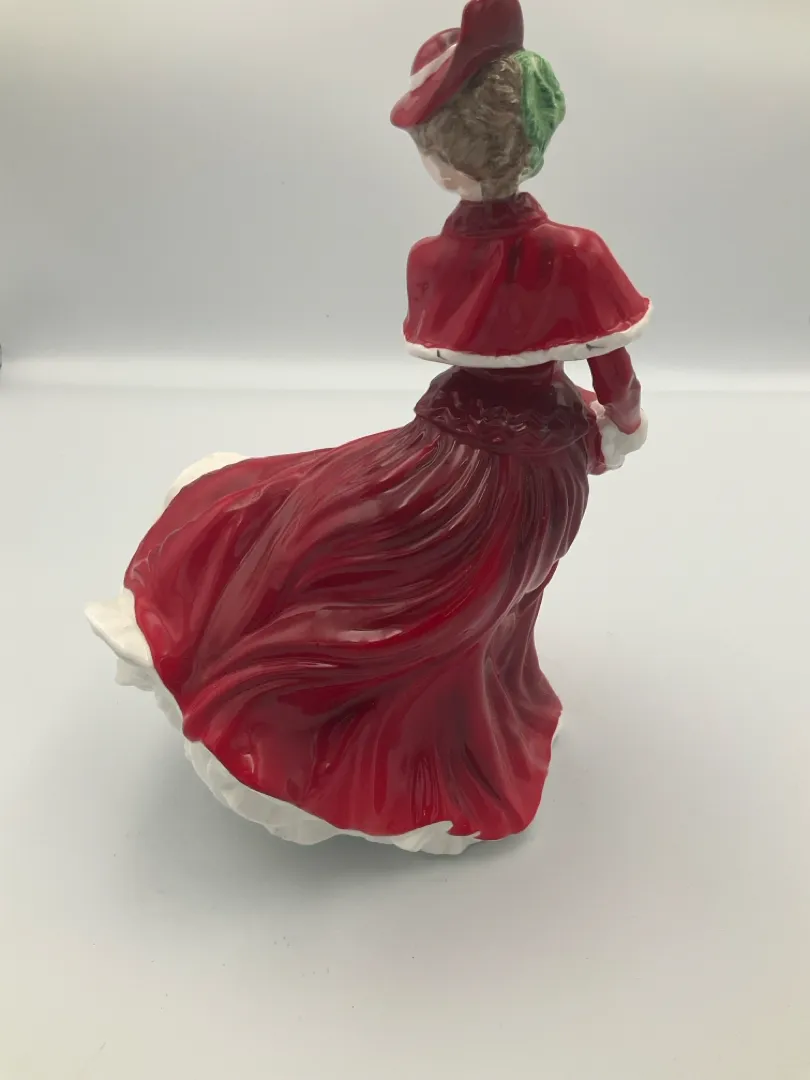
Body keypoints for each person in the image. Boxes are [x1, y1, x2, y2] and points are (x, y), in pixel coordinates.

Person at [86, 0, 650, 856]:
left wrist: (601, 420)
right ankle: (464, 727)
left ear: (443, 162)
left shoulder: (437, 260)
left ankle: (426, 737)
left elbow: (506, 352)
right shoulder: (578, 253)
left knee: (386, 575)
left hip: (460, 460)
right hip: (543, 464)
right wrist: (618, 429)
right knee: (469, 598)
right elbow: (615, 373)